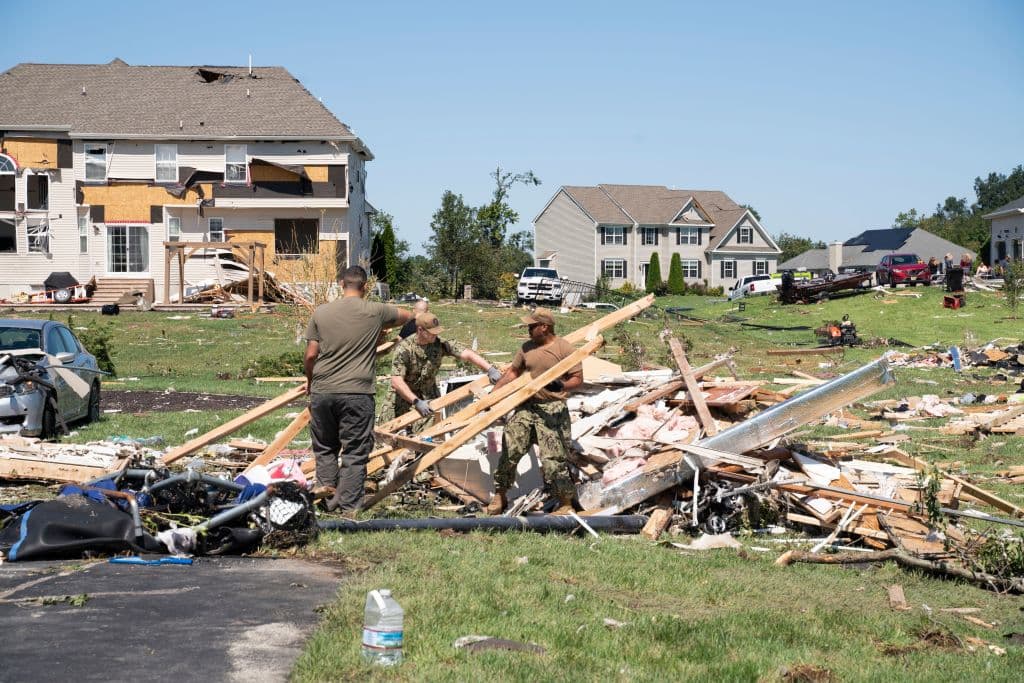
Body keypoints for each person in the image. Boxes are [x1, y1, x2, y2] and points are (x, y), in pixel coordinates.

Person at [304, 266, 414, 513]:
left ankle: (326, 502)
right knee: (355, 452)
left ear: (341, 283)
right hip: (358, 392)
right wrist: (384, 332)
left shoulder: (321, 313)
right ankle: (349, 508)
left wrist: (311, 382)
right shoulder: (376, 311)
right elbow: (411, 316)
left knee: (324, 448)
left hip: (323, 390)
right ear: (365, 286)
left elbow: (311, 355)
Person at [486, 308, 583, 515]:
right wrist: (493, 396)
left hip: (553, 409)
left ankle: (565, 502)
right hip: (527, 406)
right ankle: (500, 494)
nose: (528, 329)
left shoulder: (564, 349)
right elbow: (513, 372)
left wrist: (562, 386)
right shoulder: (526, 348)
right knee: (510, 450)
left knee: (553, 458)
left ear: (544, 327)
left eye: (532, 326)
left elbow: (578, 379)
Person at [380, 312, 503, 430]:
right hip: (402, 397)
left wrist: (490, 369)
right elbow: (396, 381)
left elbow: (466, 353)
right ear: (420, 330)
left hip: (427, 395)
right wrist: (416, 401)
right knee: (386, 434)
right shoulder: (404, 349)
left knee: (426, 436)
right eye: (431, 333)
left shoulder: (438, 344)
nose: (435, 335)